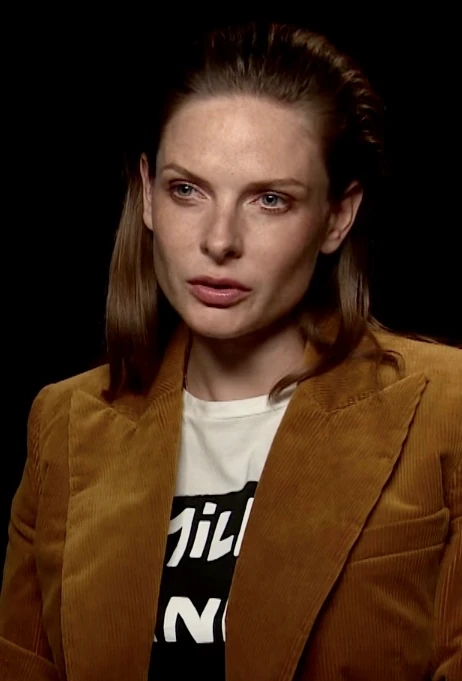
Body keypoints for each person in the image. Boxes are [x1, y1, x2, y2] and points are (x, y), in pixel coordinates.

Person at [0, 21, 460, 681]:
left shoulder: (446, 407)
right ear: (147, 193)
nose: (219, 240)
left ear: (337, 216)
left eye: (270, 200)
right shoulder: (64, 422)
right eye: (187, 190)